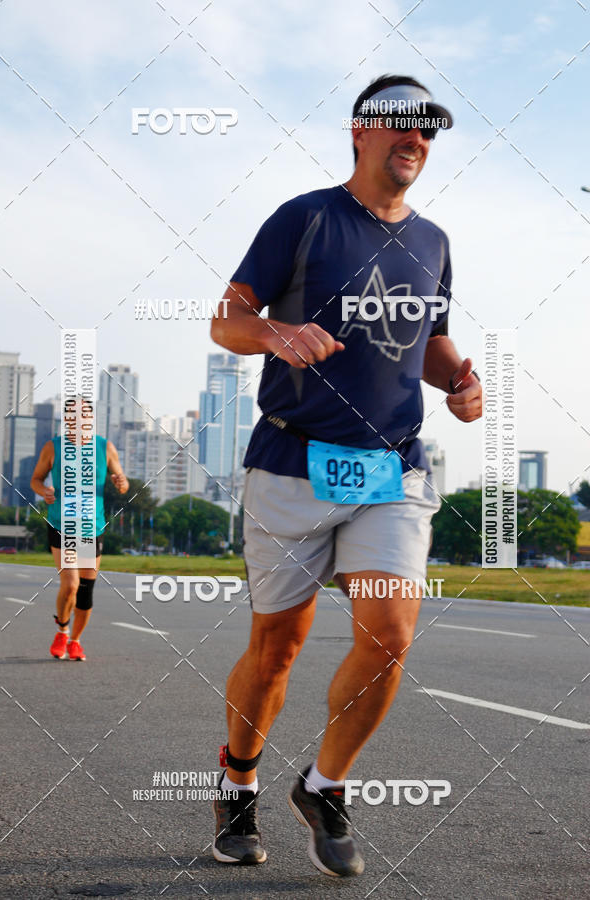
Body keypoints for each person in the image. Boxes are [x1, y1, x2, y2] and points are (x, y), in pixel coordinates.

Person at [210, 73, 483, 876]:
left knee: (390, 636)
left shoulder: (432, 241)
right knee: (277, 649)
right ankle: (236, 781)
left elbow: (429, 340)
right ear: (358, 132)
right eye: (401, 125)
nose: (416, 139)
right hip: (293, 461)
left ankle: (325, 785)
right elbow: (227, 319)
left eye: (429, 131)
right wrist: (278, 334)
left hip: (391, 468)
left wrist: (459, 380)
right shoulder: (304, 218)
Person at [30, 397, 129, 661]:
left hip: (92, 526)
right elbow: (35, 480)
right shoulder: (53, 447)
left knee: (86, 588)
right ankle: (62, 629)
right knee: (71, 585)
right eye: (72, 414)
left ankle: (75, 640)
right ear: (66, 420)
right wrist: (45, 491)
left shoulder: (104, 447)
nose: (78, 419)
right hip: (61, 523)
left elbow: (123, 482)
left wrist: (121, 482)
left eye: (83, 414)